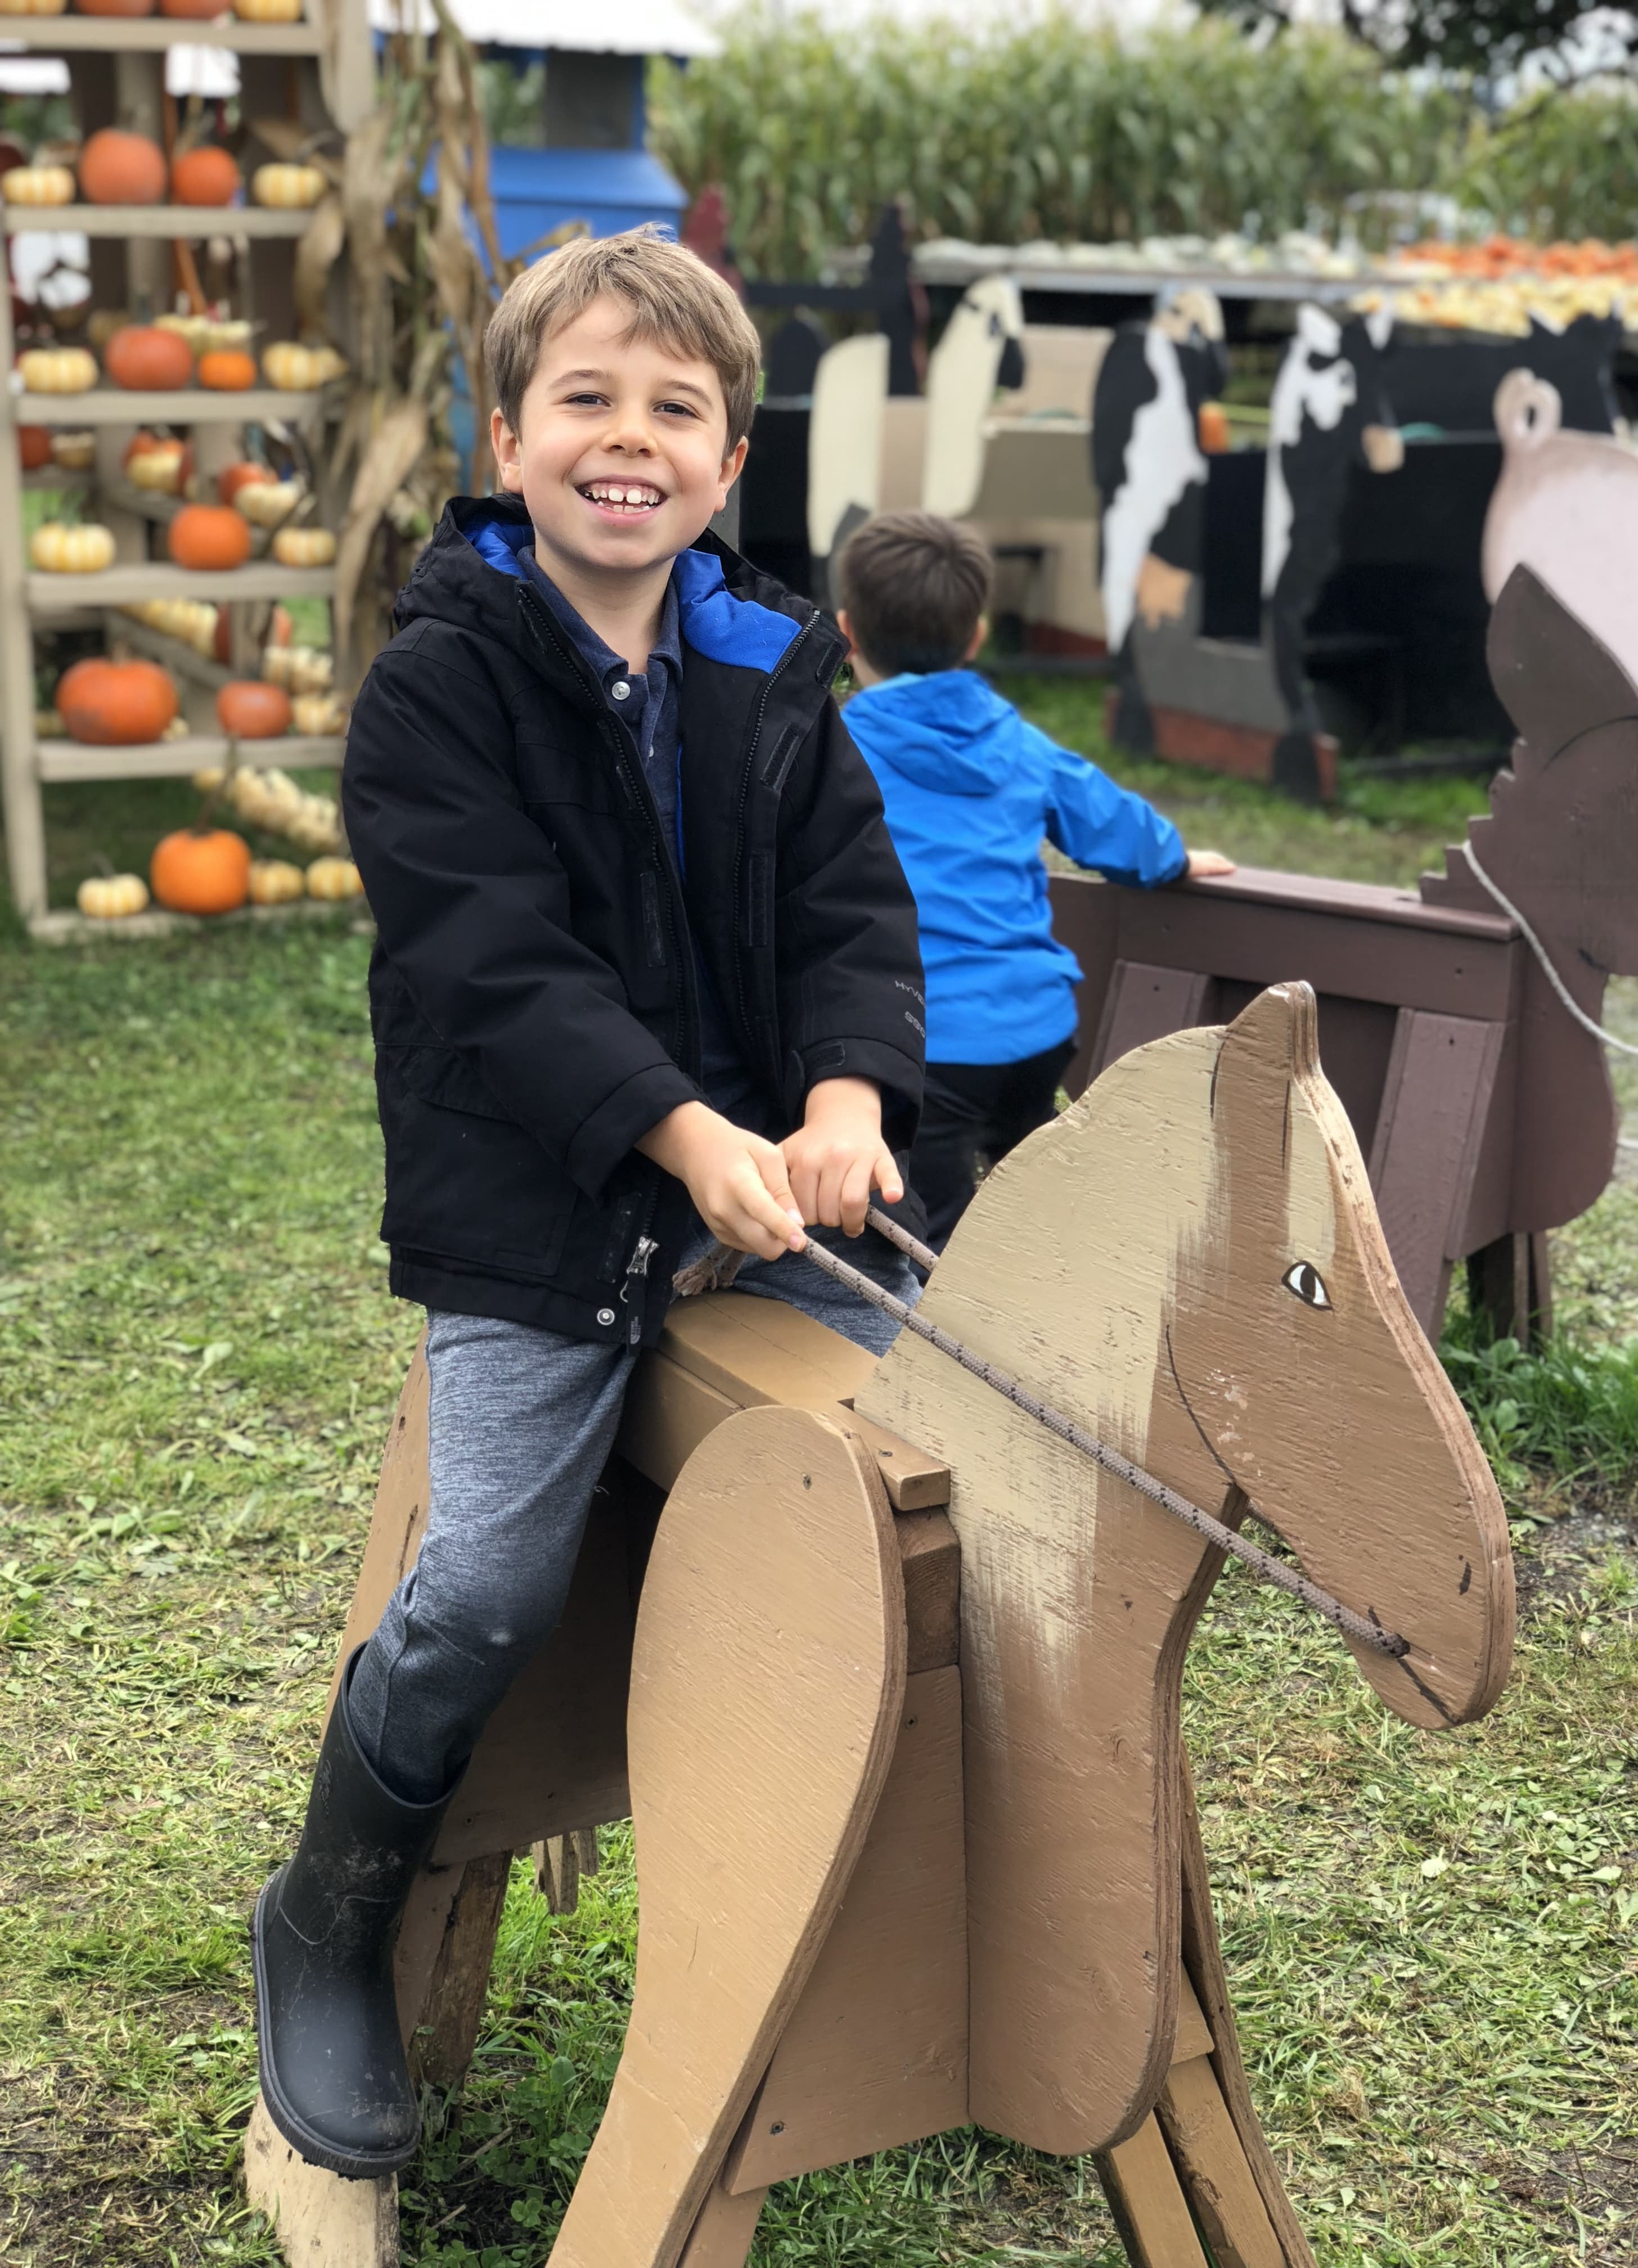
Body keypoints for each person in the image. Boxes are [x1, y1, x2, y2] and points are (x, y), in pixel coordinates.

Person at [249, 229, 927, 2181]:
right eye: (587, 399)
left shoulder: (775, 668)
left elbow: (848, 917)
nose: (628, 441)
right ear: (510, 432)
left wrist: (838, 1094)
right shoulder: (440, 680)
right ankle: (328, 1911)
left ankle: (849, 1895)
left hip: (762, 1206)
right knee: (483, 1593)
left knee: (929, 1501)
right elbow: (497, 965)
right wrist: (672, 1127)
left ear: (728, 468)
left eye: (675, 411)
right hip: (548, 1211)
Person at [838, 511, 1234, 1249]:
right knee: (1034, 1186)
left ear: (846, 631)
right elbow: (1106, 816)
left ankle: (955, 1341)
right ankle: (1075, 1272)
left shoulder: (841, 749)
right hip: (1036, 1028)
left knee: (932, 1235)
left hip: (930, 1040)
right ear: (978, 636)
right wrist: (1175, 858)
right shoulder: (1013, 740)